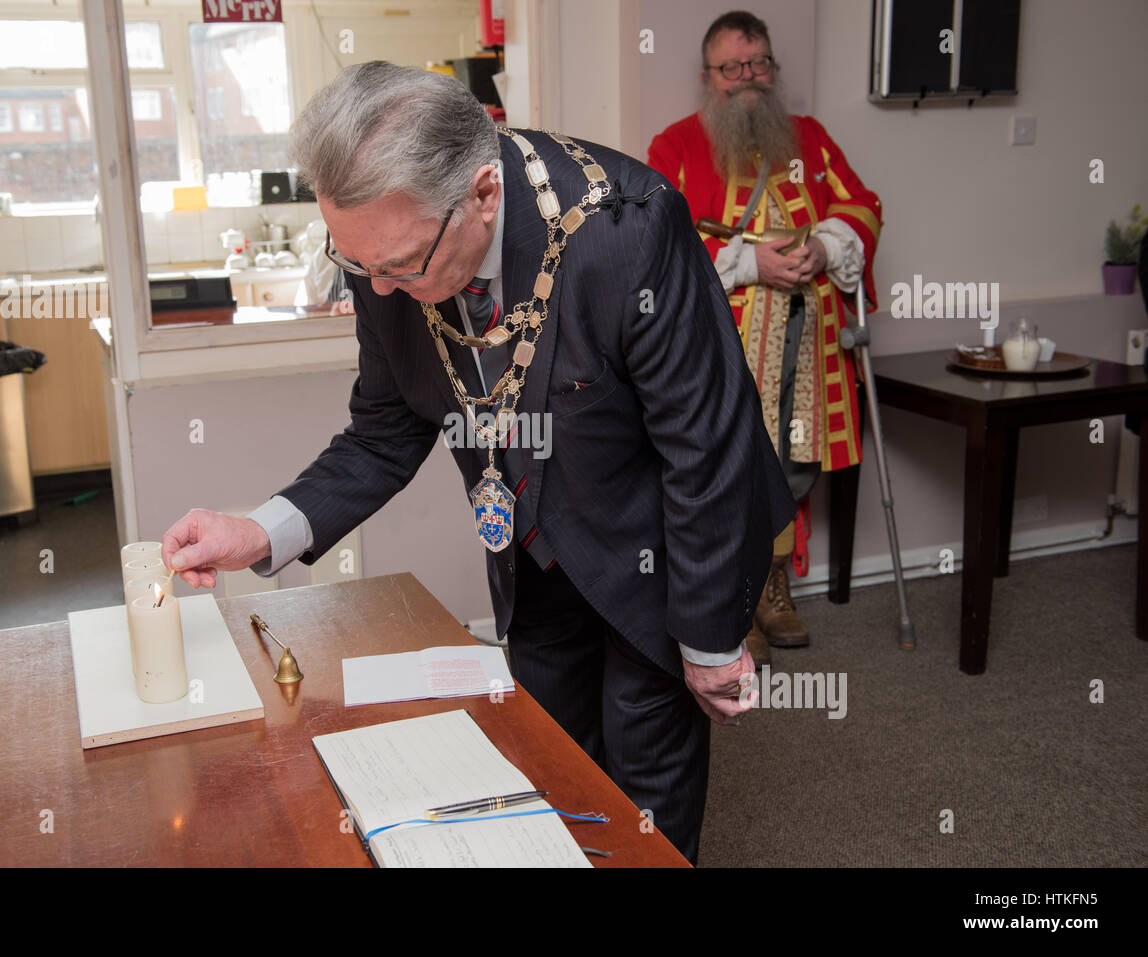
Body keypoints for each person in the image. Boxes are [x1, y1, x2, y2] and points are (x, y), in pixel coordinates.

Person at [161, 61, 797, 864]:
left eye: (398, 266)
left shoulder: (627, 229)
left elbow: (702, 447)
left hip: (657, 553)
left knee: (643, 803)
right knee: (551, 770)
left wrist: (708, 637)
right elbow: (385, 429)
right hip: (532, 556)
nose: (381, 292)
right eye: (359, 267)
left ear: (484, 195)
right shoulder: (382, 242)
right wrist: (256, 531)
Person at [648, 10, 882, 666]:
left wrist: (826, 246)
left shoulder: (810, 137)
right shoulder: (674, 147)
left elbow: (860, 202)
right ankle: (735, 595)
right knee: (729, 468)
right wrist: (753, 264)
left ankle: (774, 590)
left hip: (809, 346)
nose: (748, 78)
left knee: (793, 467)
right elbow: (659, 243)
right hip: (724, 347)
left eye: (759, 64)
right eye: (733, 68)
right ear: (707, 76)